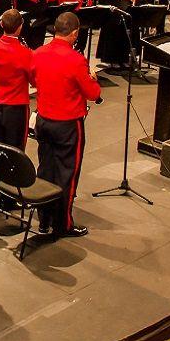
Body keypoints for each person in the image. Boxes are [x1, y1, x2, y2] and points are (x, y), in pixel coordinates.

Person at [31, 13, 100, 237]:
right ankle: (63, 224)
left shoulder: (38, 53)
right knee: (67, 174)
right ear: (74, 33)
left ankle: (44, 219)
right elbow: (91, 93)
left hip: (44, 119)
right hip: (68, 124)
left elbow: (33, 79)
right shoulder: (76, 59)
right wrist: (93, 79)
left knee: (46, 169)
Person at [0, 10, 35, 152]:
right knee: (15, 148)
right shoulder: (26, 53)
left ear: (1, 24)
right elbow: (34, 80)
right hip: (16, 106)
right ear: (20, 26)